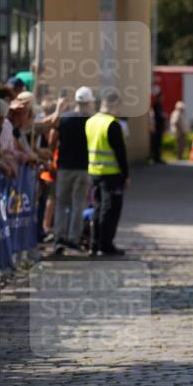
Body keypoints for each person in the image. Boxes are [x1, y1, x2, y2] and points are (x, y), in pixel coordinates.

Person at [85, 90, 129, 257]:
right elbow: (120, 153)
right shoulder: (112, 124)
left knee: (97, 208)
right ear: (114, 105)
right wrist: (125, 175)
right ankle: (106, 245)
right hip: (111, 174)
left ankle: (94, 244)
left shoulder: (91, 122)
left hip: (94, 172)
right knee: (110, 210)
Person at [53, 85, 92, 253]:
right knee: (78, 204)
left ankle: (59, 237)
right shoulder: (91, 121)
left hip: (65, 167)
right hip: (83, 167)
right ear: (89, 102)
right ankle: (73, 239)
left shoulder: (65, 118)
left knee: (61, 203)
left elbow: (53, 138)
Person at [150, 92, 165, 164]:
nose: (162, 99)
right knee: (156, 142)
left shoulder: (160, 105)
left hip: (160, 127)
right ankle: (156, 158)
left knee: (159, 143)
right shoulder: (156, 105)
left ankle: (158, 157)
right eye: (161, 97)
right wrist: (163, 116)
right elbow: (158, 116)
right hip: (157, 127)